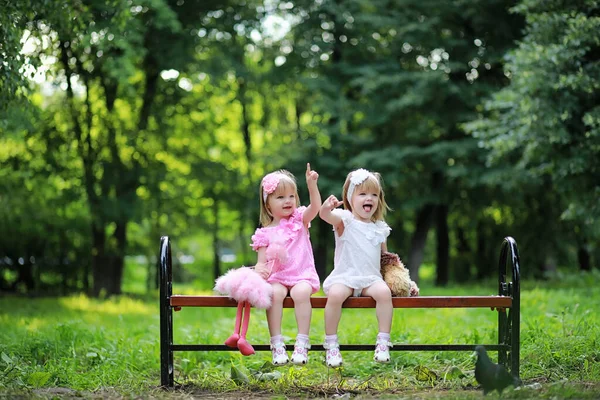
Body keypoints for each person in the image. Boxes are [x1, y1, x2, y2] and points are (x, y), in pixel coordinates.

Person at [319, 168, 393, 368]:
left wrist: (400, 279)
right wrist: (326, 208)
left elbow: (387, 259)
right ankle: (331, 344)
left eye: (374, 195)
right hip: (346, 276)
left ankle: (383, 341)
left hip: (370, 278)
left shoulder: (379, 227)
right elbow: (325, 216)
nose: (369, 198)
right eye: (362, 194)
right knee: (334, 296)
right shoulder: (345, 220)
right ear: (350, 198)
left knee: (384, 294)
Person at [251, 164, 322, 365]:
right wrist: (259, 271)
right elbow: (261, 264)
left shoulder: (300, 219)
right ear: (267, 204)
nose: (288, 201)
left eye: (291, 196)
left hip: (301, 275)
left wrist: (311, 185)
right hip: (278, 278)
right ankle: (277, 343)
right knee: (275, 293)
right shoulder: (264, 233)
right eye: (280, 197)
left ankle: (302, 343)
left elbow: (315, 207)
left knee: (300, 293)